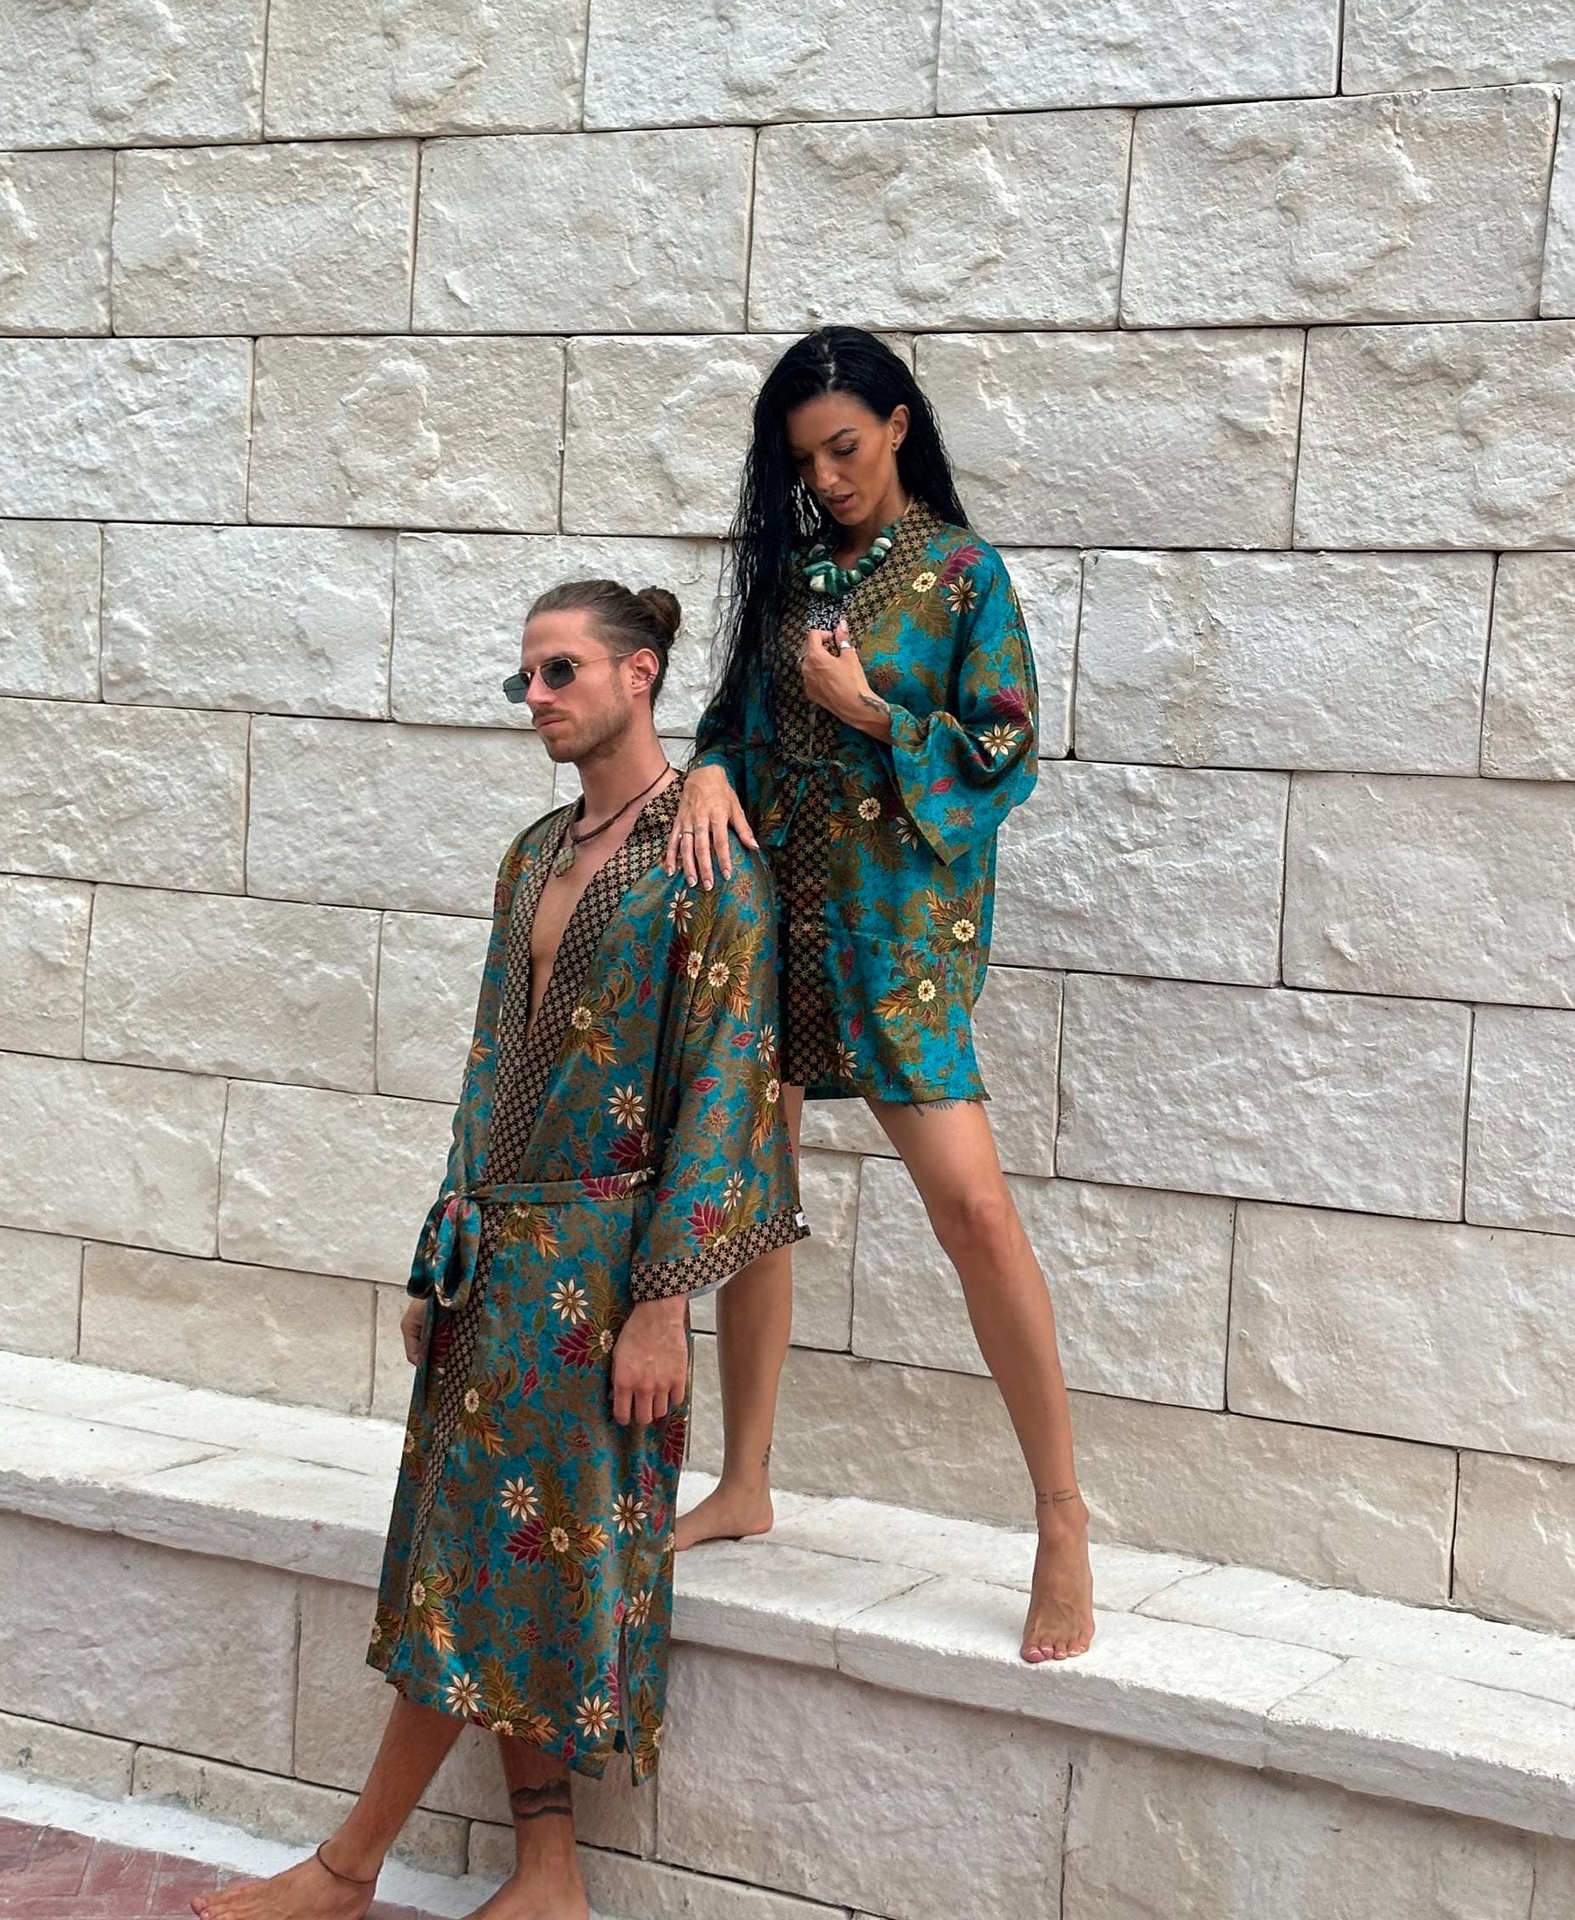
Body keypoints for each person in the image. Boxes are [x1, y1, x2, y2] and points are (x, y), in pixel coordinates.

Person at [193, 581, 805, 1920]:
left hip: (603, 1277)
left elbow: (729, 1094)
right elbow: (488, 1064)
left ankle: (347, 1870)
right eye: (524, 677)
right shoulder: (532, 855)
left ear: (640, 674)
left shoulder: (709, 861)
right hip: (497, 1259)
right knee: (502, 1561)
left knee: (481, 1569)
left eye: (560, 670)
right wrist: (443, 1249)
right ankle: (547, 1875)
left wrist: (664, 1303)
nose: (536, 697)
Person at [668, 325, 1096, 1665]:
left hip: (898, 934)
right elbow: (731, 726)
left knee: (974, 1211)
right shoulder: (794, 576)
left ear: (900, 425)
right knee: (756, 1201)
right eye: (805, 460)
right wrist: (711, 769)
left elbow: (1006, 752)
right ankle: (744, 1479)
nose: (828, 477)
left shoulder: (967, 577)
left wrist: (869, 713)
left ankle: (1064, 1520)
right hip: (771, 923)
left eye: (845, 448)